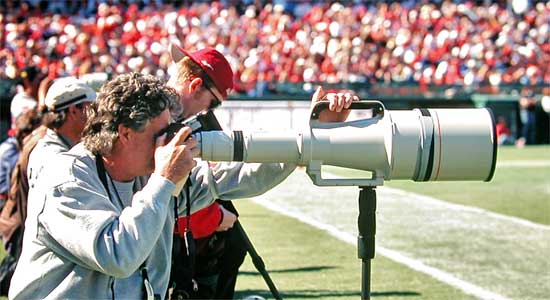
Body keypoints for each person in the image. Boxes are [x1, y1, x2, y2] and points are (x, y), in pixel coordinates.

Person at [10, 71, 324, 299]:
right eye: (161, 132)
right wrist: (164, 181)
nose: (170, 141)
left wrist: (307, 140)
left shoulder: (144, 172)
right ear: (126, 133)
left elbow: (226, 179)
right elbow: (117, 254)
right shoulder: (65, 178)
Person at [166, 43, 357, 299]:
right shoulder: (158, 126)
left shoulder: (168, 122)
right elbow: (215, 182)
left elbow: (217, 179)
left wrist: (310, 135)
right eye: (212, 104)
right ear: (195, 85)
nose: (206, 113)